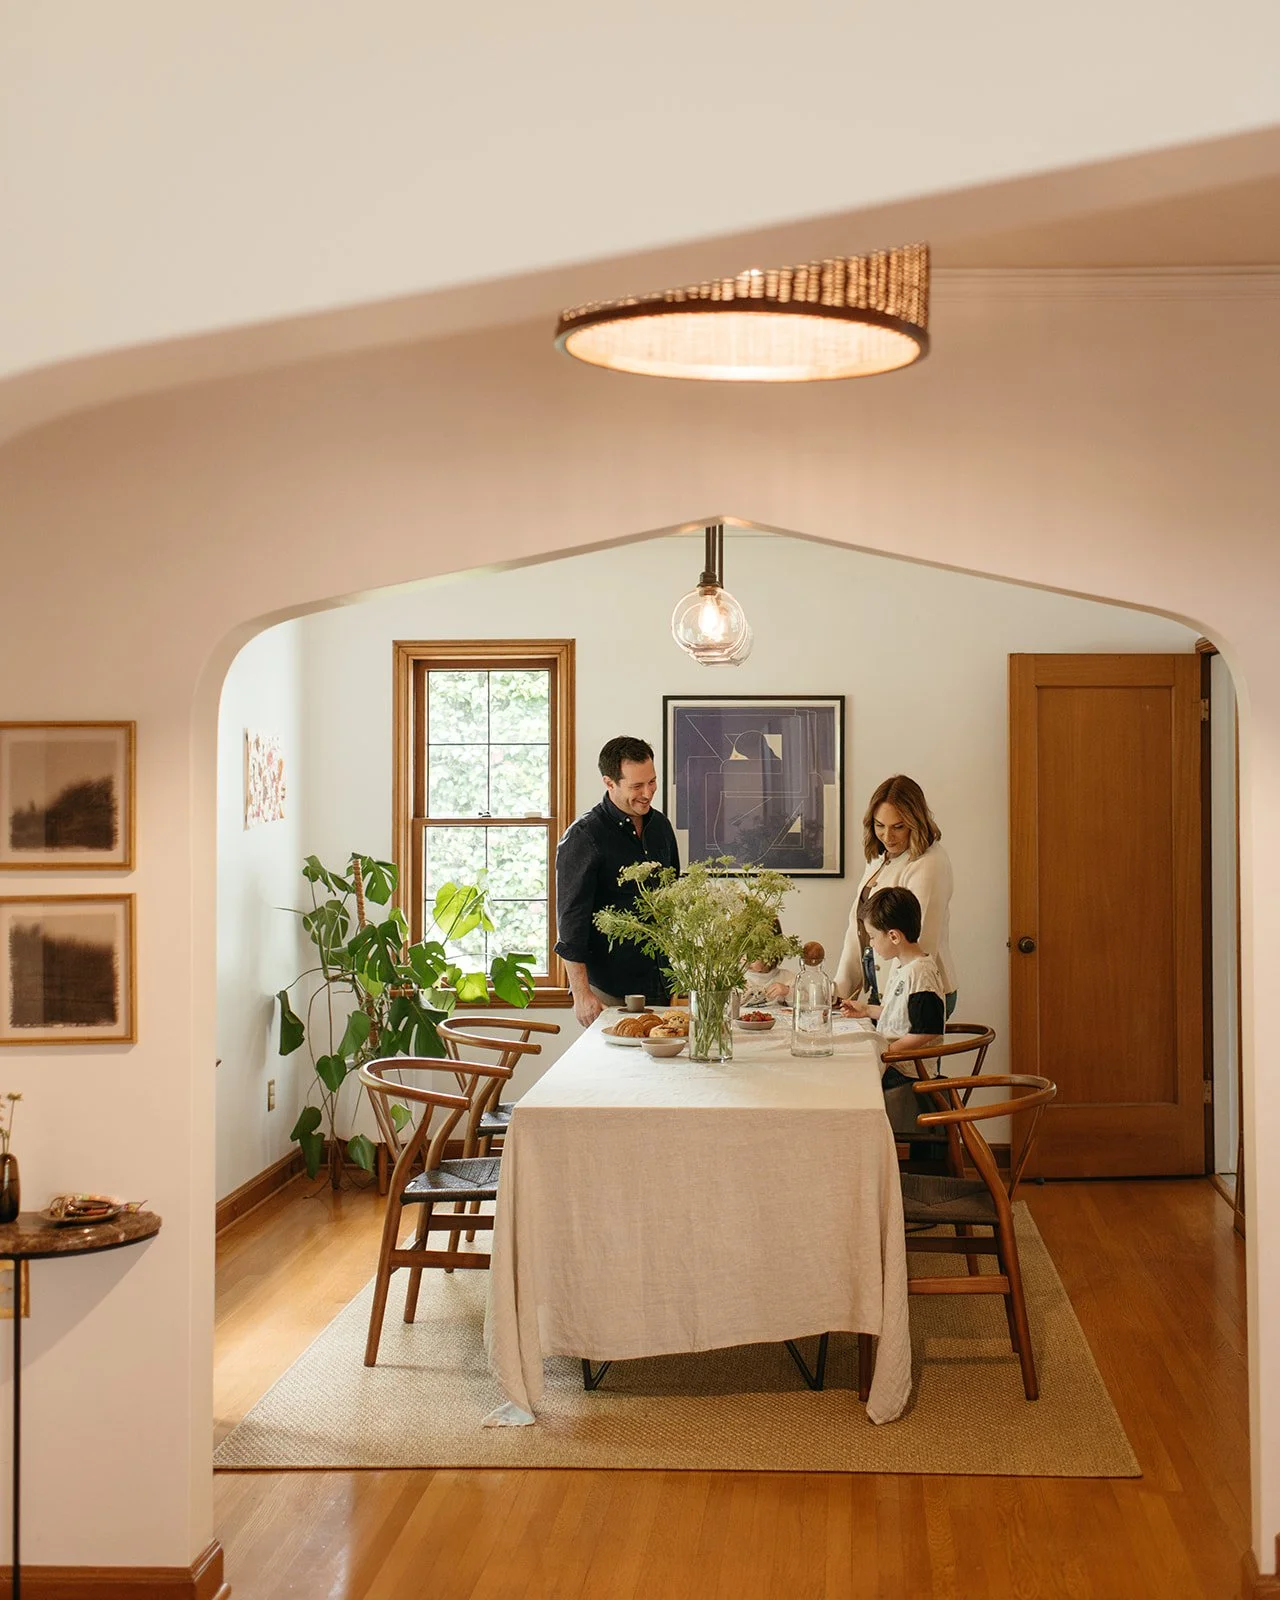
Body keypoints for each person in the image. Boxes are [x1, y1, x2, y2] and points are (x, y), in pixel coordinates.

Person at [554, 735, 680, 1028]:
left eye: (652, 782)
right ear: (609, 783)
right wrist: (581, 994)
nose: (647, 793)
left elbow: (673, 896)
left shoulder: (661, 827)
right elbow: (570, 923)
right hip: (607, 989)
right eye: (636, 786)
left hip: (659, 984)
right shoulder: (585, 836)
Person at [833, 774, 956, 1015]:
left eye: (898, 827)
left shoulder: (929, 863)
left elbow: (920, 940)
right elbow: (857, 929)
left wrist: (890, 1004)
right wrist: (840, 991)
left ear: (915, 821)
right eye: (880, 825)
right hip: (883, 991)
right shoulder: (880, 857)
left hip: (916, 991)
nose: (887, 837)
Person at [841, 886, 946, 1140]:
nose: (871, 944)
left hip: (906, 1072)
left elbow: (926, 1030)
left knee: (847, 1083)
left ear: (894, 936)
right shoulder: (904, 967)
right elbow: (901, 1015)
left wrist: (888, 1052)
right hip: (896, 1063)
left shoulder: (920, 973)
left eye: (872, 937)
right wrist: (867, 1010)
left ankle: (864, 1146)